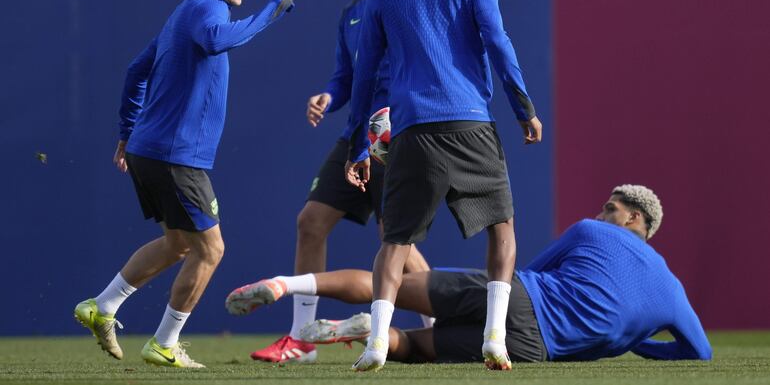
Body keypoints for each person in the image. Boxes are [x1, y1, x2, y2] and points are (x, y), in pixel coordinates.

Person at [73, 0, 294, 368]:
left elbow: (137, 71)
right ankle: (164, 342)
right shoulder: (206, 9)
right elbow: (216, 41)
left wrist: (127, 132)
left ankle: (103, 304)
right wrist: (272, 9)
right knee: (210, 250)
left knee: (177, 243)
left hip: (149, 150)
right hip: (176, 156)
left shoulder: (183, 12)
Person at [343, 0, 542, 371]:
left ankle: (375, 343)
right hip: (471, 122)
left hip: (412, 131)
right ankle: (495, 336)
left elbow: (365, 75)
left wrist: (358, 147)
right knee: (502, 228)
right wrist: (524, 108)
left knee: (395, 240)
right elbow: (498, 43)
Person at [229, 0, 431, 365]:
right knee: (311, 222)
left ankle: (441, 327)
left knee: (396, 241)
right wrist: (328, 95)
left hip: (394, 137)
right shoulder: (352, 14)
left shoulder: (412, 11)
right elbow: (346, 78)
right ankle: (302, 339)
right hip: (357, 134)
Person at [228, 185, 713, 365]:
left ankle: (283, 285)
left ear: (635, 220)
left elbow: (523, 273)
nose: (603, 212)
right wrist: (635, 341)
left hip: (521, 299)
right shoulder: (672, 292)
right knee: (415, 349)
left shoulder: (591, 230)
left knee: (392, 287)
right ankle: (357, 332)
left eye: (613, 208)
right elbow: (700, 352)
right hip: (533, 351)